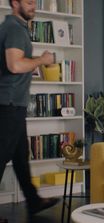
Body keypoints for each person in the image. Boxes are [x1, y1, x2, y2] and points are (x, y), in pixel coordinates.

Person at [0, 0, 59, 220]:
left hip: (13, 103)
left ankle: (33, 202)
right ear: (15, 3)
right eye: (28, 1)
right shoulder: (14, 28)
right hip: (9, 104)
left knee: (20, 157)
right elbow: (14, 65)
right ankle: (33, 201)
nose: (33, 4)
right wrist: (41, 60)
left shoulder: (15, 27)